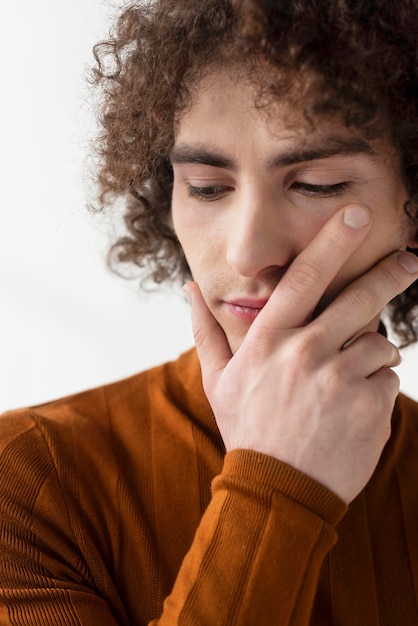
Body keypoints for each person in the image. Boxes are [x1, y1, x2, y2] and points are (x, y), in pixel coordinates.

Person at [1, 0, 418, 623]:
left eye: (318, 185)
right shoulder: (27, 477)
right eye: (206, 187)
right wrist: (274, 483)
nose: (248, 251)